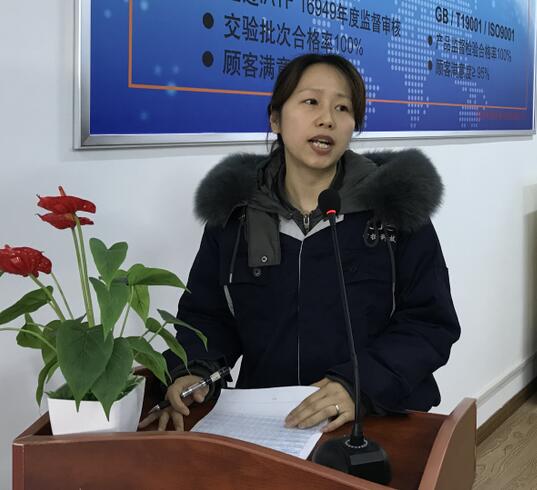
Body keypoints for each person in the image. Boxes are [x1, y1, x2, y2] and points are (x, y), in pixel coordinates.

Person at [139, 53, 460, 433]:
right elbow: (208, 317)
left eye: (343, 107)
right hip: (269, 424)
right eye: (311, 101)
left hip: (373, 418)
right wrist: (196, 370)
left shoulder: (394, 209)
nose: (327, 118)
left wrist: (359, 385)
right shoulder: (236, 216)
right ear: (275, 117)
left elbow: (429, 323)